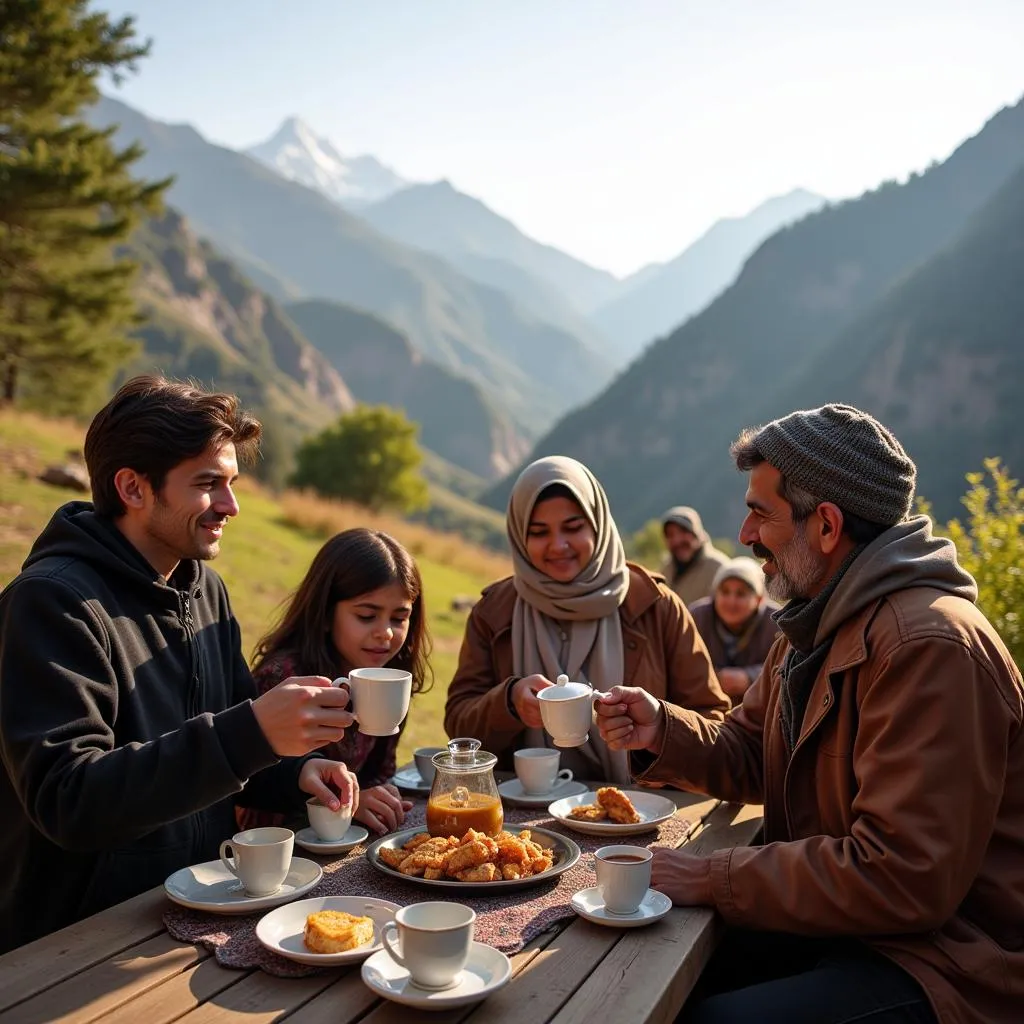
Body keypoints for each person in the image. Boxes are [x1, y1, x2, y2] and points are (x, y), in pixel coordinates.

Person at [595, 404, 1024, 1024]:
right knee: (640, 969)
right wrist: (663, 727)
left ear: (826, 525)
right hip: (851, 925)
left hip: (949, 962)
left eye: (760, 513)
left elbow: (902, 875)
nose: (743, 535)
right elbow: (751, 751)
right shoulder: (814, 625)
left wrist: (715, 876)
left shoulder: (927, 645)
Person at [0, 376, 359, 953]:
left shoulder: (204, 590)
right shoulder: (51, 603)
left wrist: (292, 773)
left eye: (232, 483)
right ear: (133, 488)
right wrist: (252, 734)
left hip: (198, 912)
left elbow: (223, 740)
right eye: (208, 484)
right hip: (79, 942)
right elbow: (69, 801)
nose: (231, 505)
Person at [445, 456, 729, 783]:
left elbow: (714, 723)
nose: (558, 545)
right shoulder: (494, 613)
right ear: (520, 536)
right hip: (523, 818)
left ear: (598, 524)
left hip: (637, 812)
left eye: (573, 527)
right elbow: (458, 726)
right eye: (538, 532)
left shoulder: (655, 605)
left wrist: (657, 729)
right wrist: (508, 703)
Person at [238, 528, 431, 836]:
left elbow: (378, 772)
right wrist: (353, 803)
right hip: (279, 840)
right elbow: (255, 779)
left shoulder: (391, 677)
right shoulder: (287, 678)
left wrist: (379, 796)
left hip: (347, 834)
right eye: (367, 616)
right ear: (326, 614)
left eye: (399, 618)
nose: (386, 633)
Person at [687, 556, 779, 700]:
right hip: (704, 703)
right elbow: (681, 661)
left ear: (759, 599)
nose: (731, 602)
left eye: (741, 594)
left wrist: (750, 677)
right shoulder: (696, 616)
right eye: (724, 592)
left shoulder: (777, 622)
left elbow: (786, 666)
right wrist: (714, 676)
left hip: (759, 709)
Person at [660, 506, 730, 607]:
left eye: (684, 531)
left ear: (697, 534)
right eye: (670, 535)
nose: (677, 540)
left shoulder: (719, 568)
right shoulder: (666, 569)